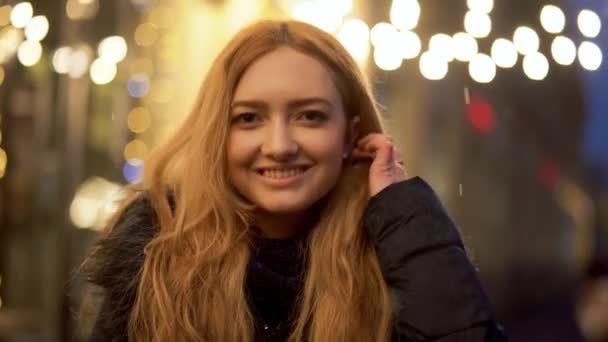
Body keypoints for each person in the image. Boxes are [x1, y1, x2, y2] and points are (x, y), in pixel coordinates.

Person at [83, 20, 506, 341]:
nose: (280, 145)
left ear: (351, 135)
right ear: (218, 135)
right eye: (249, 119)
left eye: (309, 116)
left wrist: (401, 209)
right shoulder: (155, 257)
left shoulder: (391, 257)